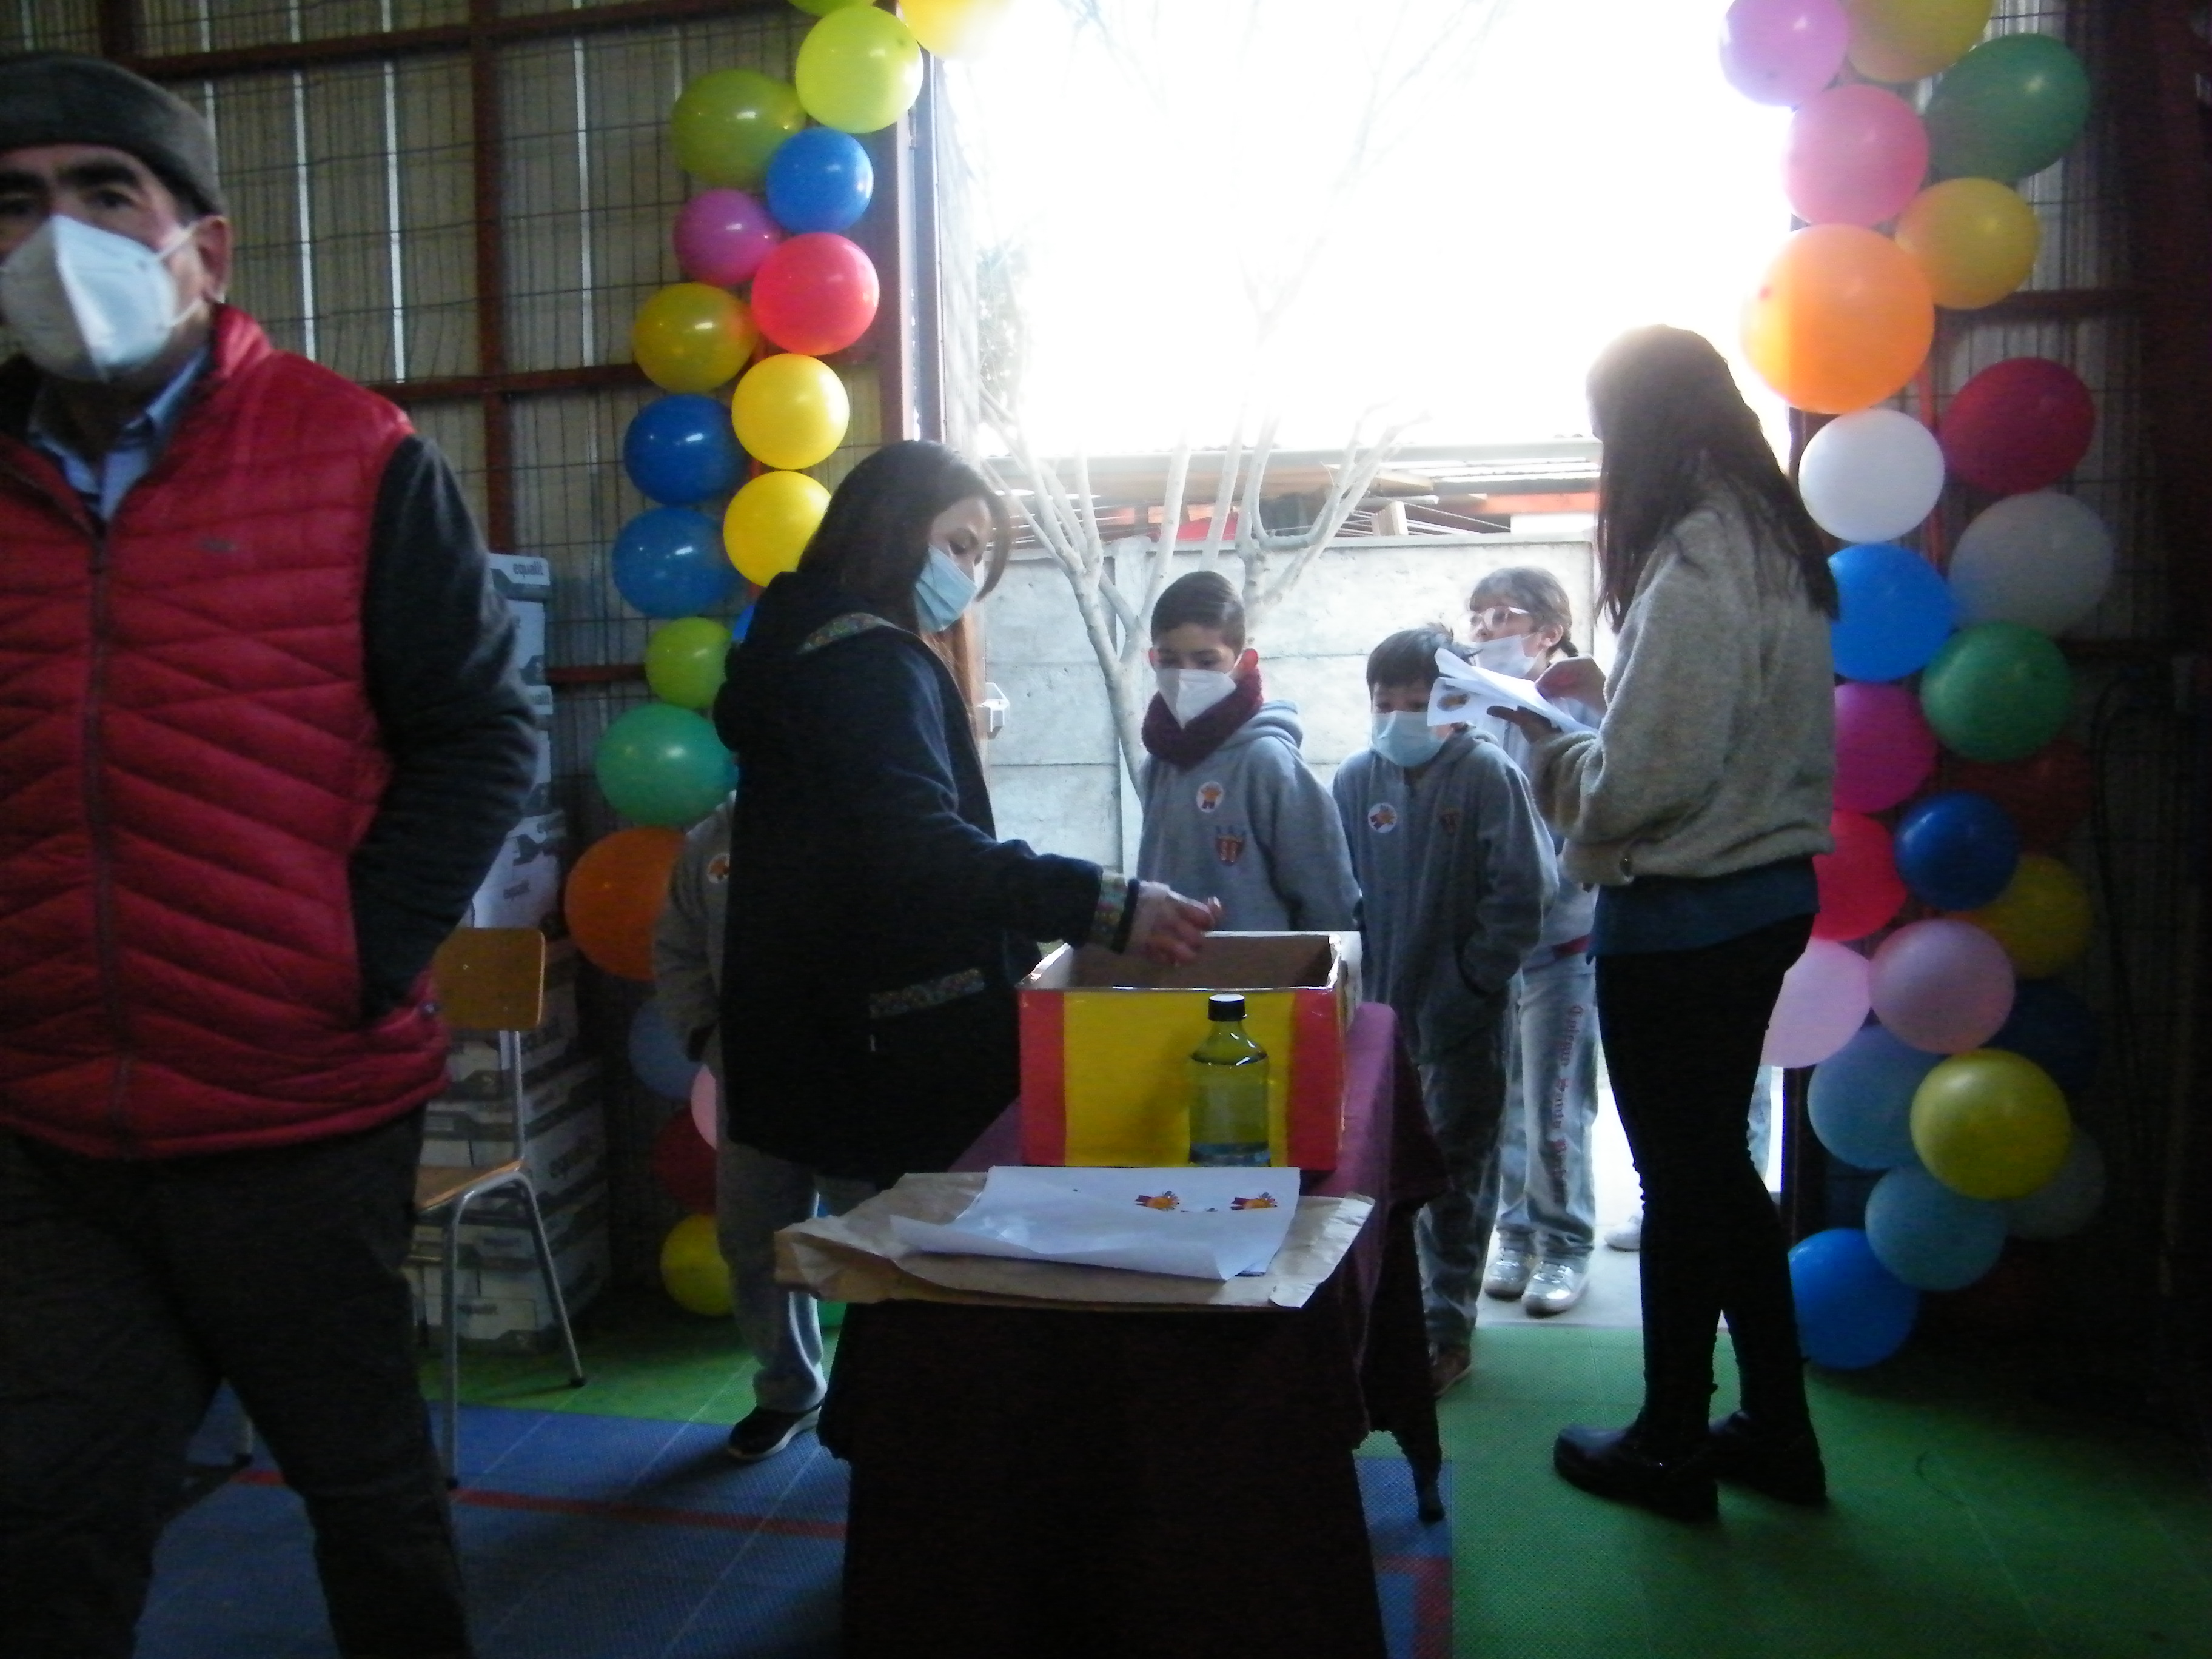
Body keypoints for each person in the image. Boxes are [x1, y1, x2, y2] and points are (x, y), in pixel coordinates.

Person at [0, 54, 535, 1658]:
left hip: (297, 1111)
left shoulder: (353, 453)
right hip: (50, 1122)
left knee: (365, 1497)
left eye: (105, 193)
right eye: (13, 203)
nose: (56, 236)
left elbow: (480, 735)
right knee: (47, 1515)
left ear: (206, 247)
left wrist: (347, 959)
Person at [1496, 325, 1837, 1521]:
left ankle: (1669, 1442)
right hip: (1762, 897)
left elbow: (1635, 786)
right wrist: (1607, 711)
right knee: (1718, 1179)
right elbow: (1703, 732)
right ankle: (1775, 1431)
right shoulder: (1773, 537)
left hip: (1686, 915)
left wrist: (1550, 743)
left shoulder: (1697, 551)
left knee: (1687, 1184)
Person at [711, 438, 1215, 1193]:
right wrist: (1102, 903)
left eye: (978, 557)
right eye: (957, 545)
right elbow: (918, 848)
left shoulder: (797, 652)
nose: (968, 575)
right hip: (900, 1051)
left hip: (822, 1035)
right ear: (890, 527)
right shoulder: (872, 662)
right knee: (927, 1244)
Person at [1332, 628, 1553, 1397]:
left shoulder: (1488, 775)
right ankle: (1378, 1319)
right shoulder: (1355, 780)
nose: (1400, 716)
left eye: (1418, 701)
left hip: (1466, 1021)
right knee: (1375, 1175)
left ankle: (1445, 1327)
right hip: (1376, 1021)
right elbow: (1338, 899)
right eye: (1385, 701)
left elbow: (1523, 895)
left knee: (1458, 1174)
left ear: (1455, 704)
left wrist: (1469, 986)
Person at [653, 791, 876, 1464]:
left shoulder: (863, 821)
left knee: (879, 1245)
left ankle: (894, 1395)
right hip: (752, 1080)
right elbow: (677, 949)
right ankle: (788, 1390)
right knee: (753, 1238)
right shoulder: (711, 842)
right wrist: (708, 1037)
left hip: (852, 1077)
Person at [1461, 568, 1607, 1318]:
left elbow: (1594, 812)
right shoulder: (1470, 707)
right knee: (1505, 1105)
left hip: (1563, 945)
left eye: (1504, 616)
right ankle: (1515, 1234)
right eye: (1478, 617)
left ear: (1549, 632)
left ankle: (1566, 1242)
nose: (1487, 629)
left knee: (1553, 1105)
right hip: (1495, 948)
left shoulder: (1579, 709)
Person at [1135, 570, 1360, 931]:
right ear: (1152, 659)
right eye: (1170, 660)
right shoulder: (1160, 762)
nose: (1185, 676)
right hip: (1171, 964)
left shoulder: (1268, 761)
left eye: (1206, 662)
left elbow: (1329, 902)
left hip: (1260, 967)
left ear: (1245, 663)